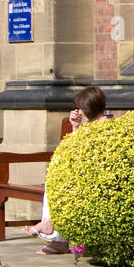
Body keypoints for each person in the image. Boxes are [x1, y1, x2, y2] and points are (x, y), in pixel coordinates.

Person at [28, 86, 112, 254]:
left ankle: (53, 233)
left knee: (60, 184)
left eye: (80, 108)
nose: (78, 112)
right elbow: (72, 149)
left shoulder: (106, 125)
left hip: (97, 177)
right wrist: (75, 127)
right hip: (83, 174)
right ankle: (54, 234)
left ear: (88, 108)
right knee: (54, 182)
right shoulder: (89, 125)